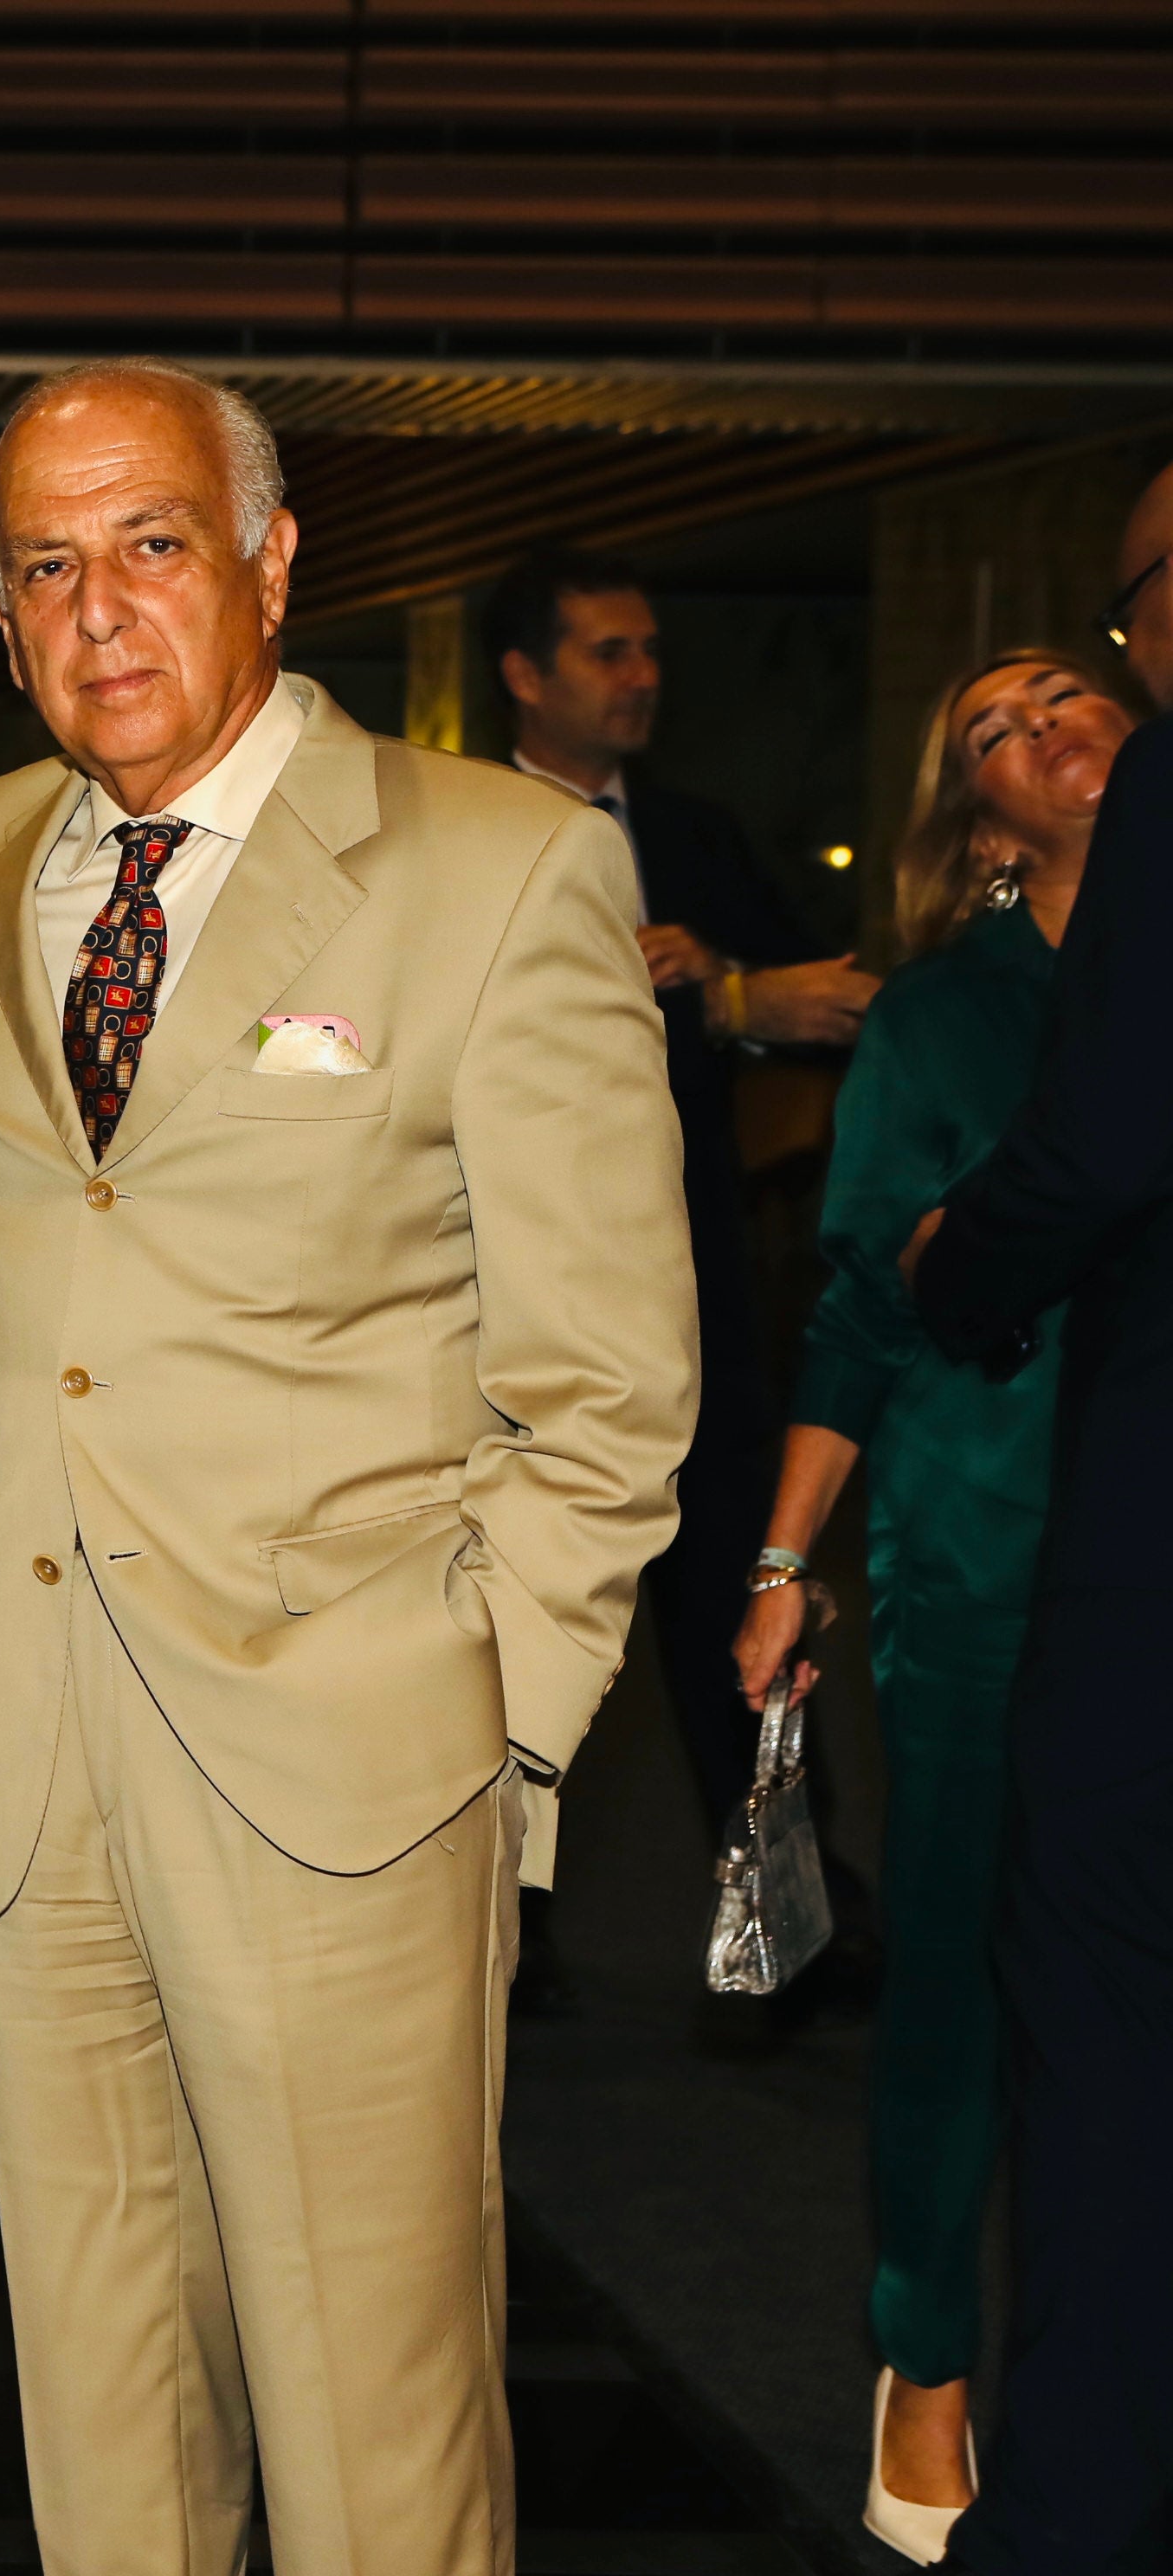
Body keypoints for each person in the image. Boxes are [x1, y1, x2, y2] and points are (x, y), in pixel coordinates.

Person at [0, 359, 695, 2576]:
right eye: (45, 566)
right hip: (27, 1750)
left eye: (151, 544)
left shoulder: (501, 867)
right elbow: (5, 1243)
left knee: (372, 2438)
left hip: (349, 1765)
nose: (100, 608)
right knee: (103, 2427)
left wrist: (478, 1727)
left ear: (267, 563)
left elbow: (609, 1382)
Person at [731, 645, 1134, 2563]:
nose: (1044, 728)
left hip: (1148, 1542)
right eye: (993, 729)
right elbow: (866, 1312)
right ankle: (925, 2351)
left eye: (1065, 694)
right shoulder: (944, 1016)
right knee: (967, 1973)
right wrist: (782, 1563)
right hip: (983, 1554)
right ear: (978, 823)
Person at [907, 456, 1173, 2576]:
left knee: (1100, 2034)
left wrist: (956, 1270)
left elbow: (1097, 1149)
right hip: (1012, 1526)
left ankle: (1076, 2519)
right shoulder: (945, 992)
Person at [485, 547, 878, 1906]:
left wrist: (730, 985)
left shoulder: (696, 837)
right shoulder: (458, 829)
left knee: (736, 1600)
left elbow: (826, 1005)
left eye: (650, 649)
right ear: (524, 675)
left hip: (689, 1290)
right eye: (610, 651)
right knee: (502, 1631)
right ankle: (500, 1933)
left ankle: (786, 1899)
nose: (643, 676)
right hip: (502, 1300)